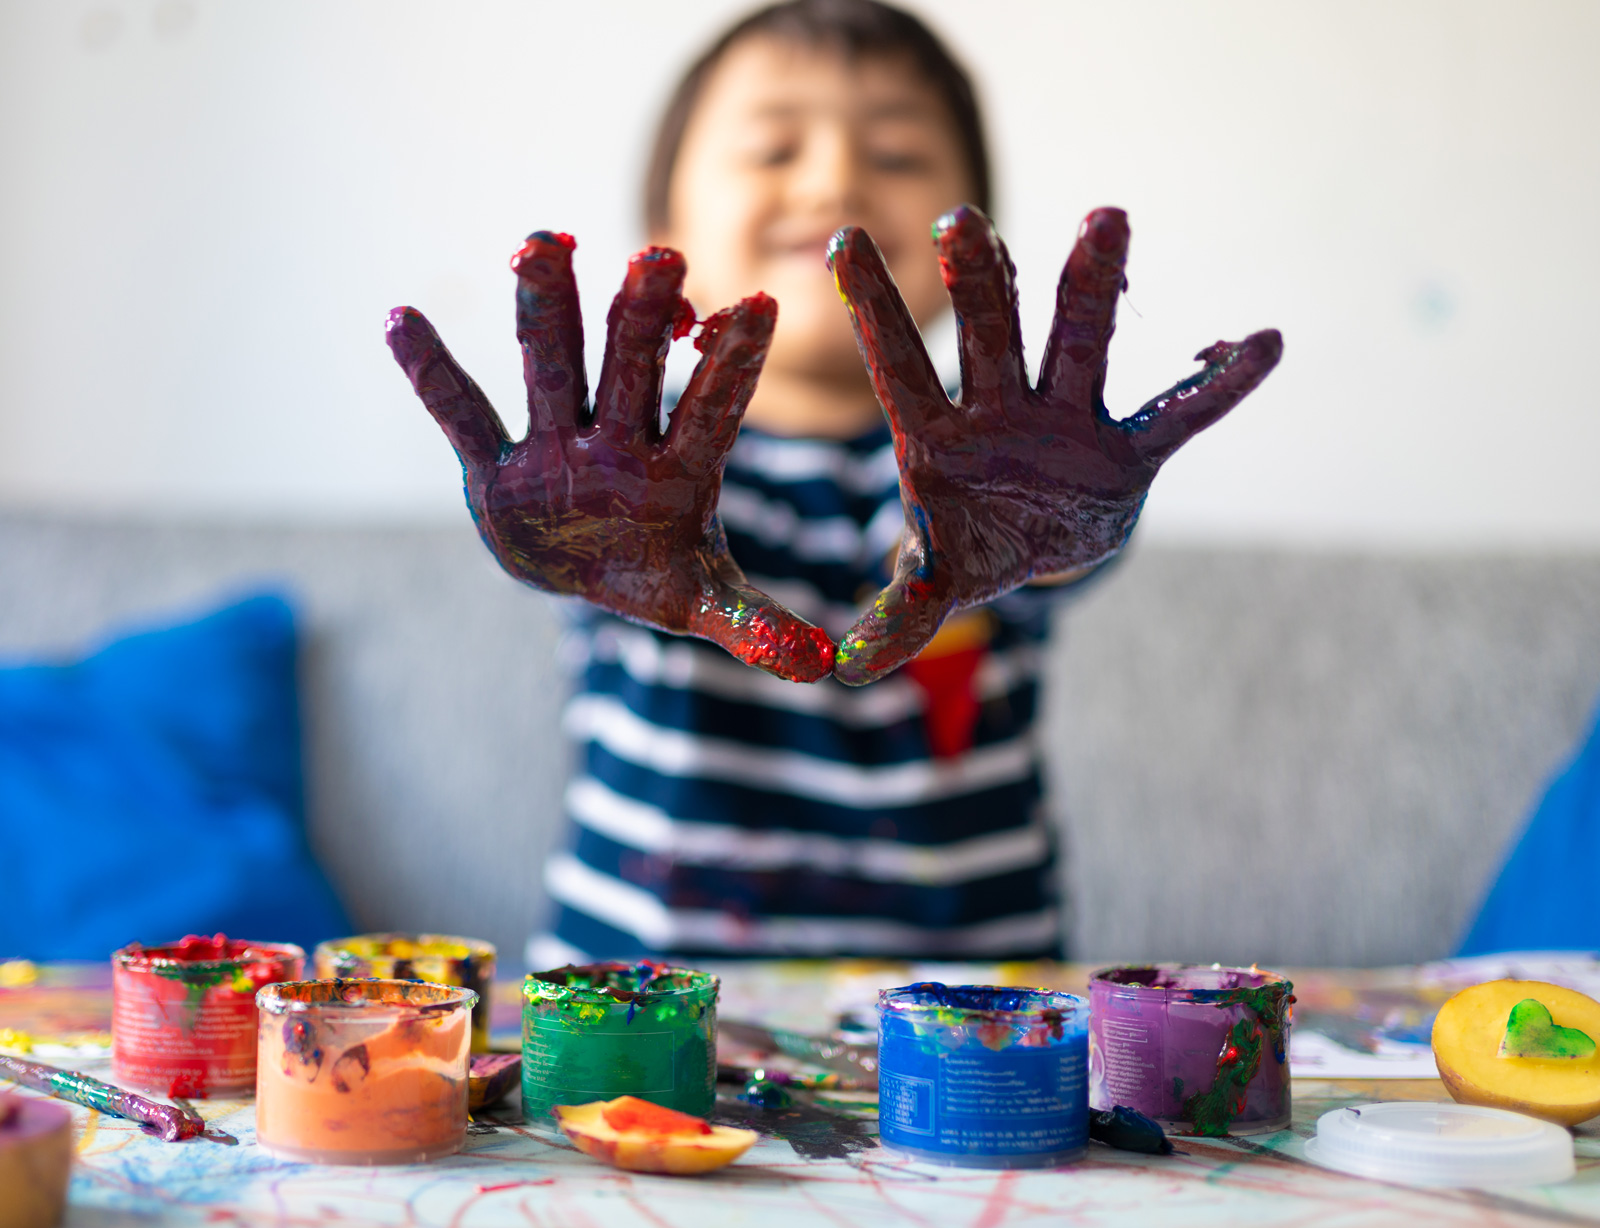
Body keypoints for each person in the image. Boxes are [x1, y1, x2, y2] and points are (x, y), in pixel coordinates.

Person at [385, 0, 1280, 967]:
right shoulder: (620, 463)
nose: (835, 178)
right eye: (772, 149)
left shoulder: (1009, 462)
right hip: (638, 1019)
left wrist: (1053, 513)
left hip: (972, 1029)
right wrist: (565, 536)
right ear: (666, 223)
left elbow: (1056, 559)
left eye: (896, 156)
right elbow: (575, 549)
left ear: (970, 233)